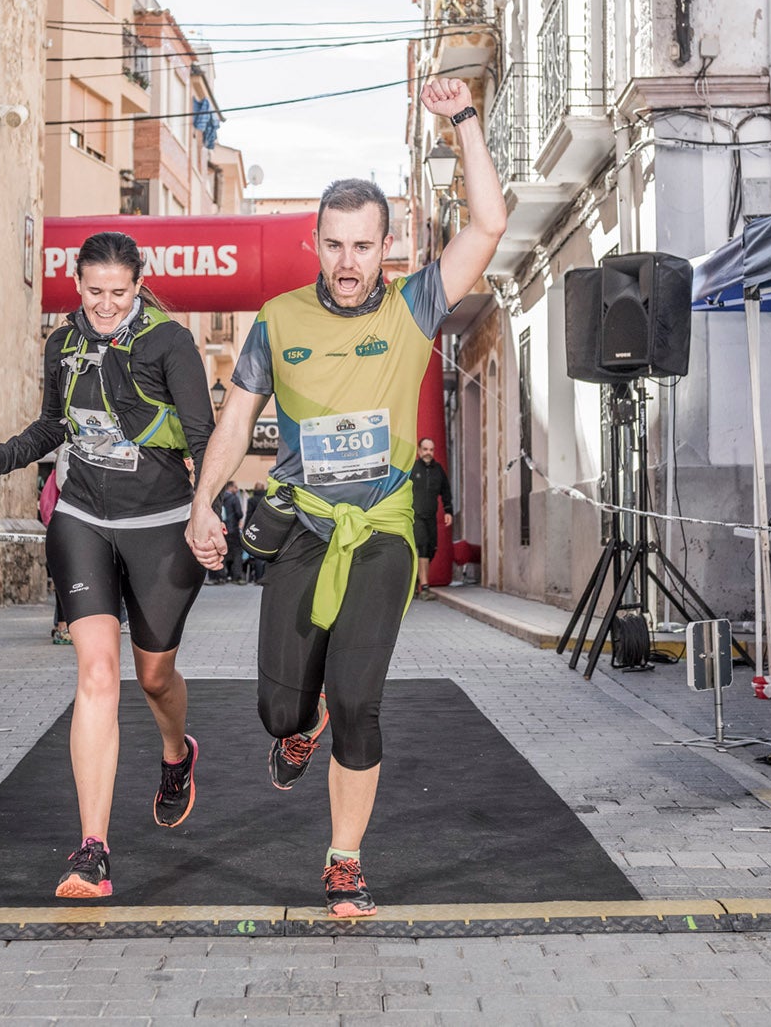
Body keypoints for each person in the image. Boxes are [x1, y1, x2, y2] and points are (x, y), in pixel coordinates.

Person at [184, 75, 505, 918]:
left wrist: (464, 121)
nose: (349, 263)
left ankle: (344, 859)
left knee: (359, 698)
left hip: (383, 528)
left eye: (364, 247)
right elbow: (234, 420)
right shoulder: (278, 319)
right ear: (316, 243)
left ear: (387, 248)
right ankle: (299, 722)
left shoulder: (413, 307)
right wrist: (201, 506)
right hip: (302, 527)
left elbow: (489, 225)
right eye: (334, 245)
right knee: (276, 706)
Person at [0, 232, 215, 898]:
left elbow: (204, 437)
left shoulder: (170, 343)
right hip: (83, 518)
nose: (105, 304)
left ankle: (176, 752)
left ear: (138, 285)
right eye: (94, 291)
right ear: (79, 284)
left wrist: (206, 510)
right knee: (96, 671)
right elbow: (52, 427)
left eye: (118, 292)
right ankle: (92, 851)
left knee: (154, 676)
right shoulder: (62, 344)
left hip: (160, 525)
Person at [410, 437, 454, 573]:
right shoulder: (413, 469)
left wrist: (448, 511)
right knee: (422, 546)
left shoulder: (438, 470)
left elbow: (446, 490)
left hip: (431, 516)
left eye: (431, 450)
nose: (428, 452)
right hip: (416, 515)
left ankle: (419, 578)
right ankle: (424, 587)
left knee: (431, 549)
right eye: (425, 449)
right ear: (419, 451)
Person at [214, 480, 246, 584]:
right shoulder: (234, 498)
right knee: (237, 553)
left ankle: (220, 576)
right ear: (230, 487)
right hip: (233, 529)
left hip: (220, 529)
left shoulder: (219, 498)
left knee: (221, 552)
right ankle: (236, 576)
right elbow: (239, 514)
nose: (236, 490)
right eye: (235, 487)